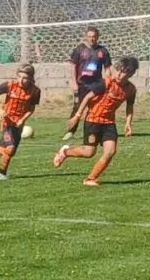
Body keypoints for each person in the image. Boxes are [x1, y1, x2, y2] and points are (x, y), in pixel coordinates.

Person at [53, 56, 138, 187]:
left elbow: (130, 106)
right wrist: (77, 116)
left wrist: (128, 124)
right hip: (93, 120)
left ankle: (90, 179)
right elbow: (87, 97)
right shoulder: (107, 83)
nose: (119, 74)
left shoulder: (131, 89)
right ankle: (65, 152)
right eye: (118, 70)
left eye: (123, 72)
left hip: (109, 123)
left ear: (131, 74)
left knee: (110, 151)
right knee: (89, 152)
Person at [64, 27, 112, 141]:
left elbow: (107, 68)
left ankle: (93, 130)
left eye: (94, 37)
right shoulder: (79, 49)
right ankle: (70, 131)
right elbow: (73, 66)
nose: (91, 39)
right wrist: (74, 83)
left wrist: (107, 82)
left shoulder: (103, 51)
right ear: (86, 37)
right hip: (82, 84)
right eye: (89, 37)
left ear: (97, 37)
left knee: (96, 108)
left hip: (97, 84)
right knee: (77, 107)